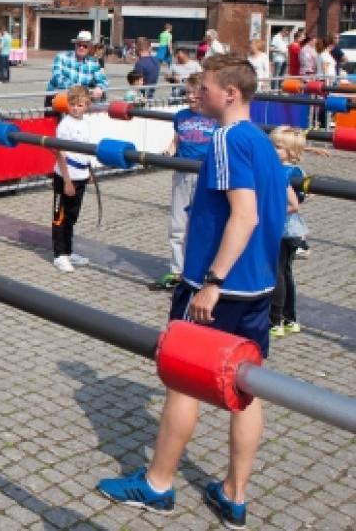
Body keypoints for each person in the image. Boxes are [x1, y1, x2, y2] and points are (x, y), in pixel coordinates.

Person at [98, 54, 287, 531]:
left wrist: (214, 281)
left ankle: (157, 485)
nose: (195, 93)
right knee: (248, 387)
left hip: (218, 289)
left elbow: (246, 215)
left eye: (203, 87)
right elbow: (281, 202)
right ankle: (234, 495)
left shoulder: (225, 139)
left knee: (184, 381)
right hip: (259, 287)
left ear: (230, 94)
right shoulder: (263, 141)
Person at [155, 74, 217, 290]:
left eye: (195, 93)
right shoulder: (180, 116)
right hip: (182, 173)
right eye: (187, 92)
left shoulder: (215, 118)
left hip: (205, 175)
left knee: (200, 223)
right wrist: (168, 151)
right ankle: (176, 270)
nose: (190, 96)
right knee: (178, 223)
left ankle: (199, 270)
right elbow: (176, 141)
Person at [267, 127, 308, 339]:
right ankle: (290, 318)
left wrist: (268, 212)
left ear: (291, 152)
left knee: (278, 274)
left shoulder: (284, 172)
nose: (272, 150)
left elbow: (293, 204)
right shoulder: (297, 171)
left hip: (282, 229)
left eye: (278, 147)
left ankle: (275, 320)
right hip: (292, 230)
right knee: (286, 272)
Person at [50, 85, 95, 273]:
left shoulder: (86, 123)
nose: (76, 108)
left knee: (72, 217)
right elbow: (60, 153)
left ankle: (68, 252)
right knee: (60, 217)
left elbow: (86, 150)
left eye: (80, 105)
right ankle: (59, 255)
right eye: (73, 105)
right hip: (65, 176)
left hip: (81, 176)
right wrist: (67, 181)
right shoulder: (65, 125)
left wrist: (89, 172)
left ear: (87, 106)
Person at [45, 31, 108, 110]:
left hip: (79, 102)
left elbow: (103, 81)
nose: (81, 47)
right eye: (79, 45)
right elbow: (57, 77)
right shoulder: (61, 57)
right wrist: (78, 90)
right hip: (58, 99)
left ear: (89, 48)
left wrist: (99, 88)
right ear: (75, 45)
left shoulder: (93, 63)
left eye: (85, 46)